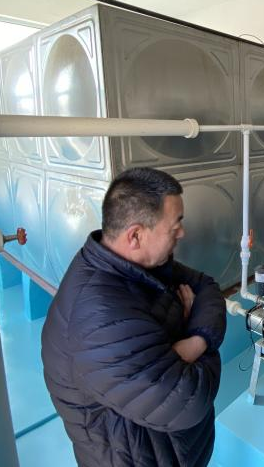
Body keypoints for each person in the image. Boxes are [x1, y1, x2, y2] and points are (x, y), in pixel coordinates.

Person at [41, 167, 227, 467]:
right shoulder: (97, 316)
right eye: (175, 225)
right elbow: (188, 399)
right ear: (136, 235)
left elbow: (207, 287)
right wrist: (199, 339)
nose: (182, 232)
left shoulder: (141, 265)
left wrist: (192, 342)